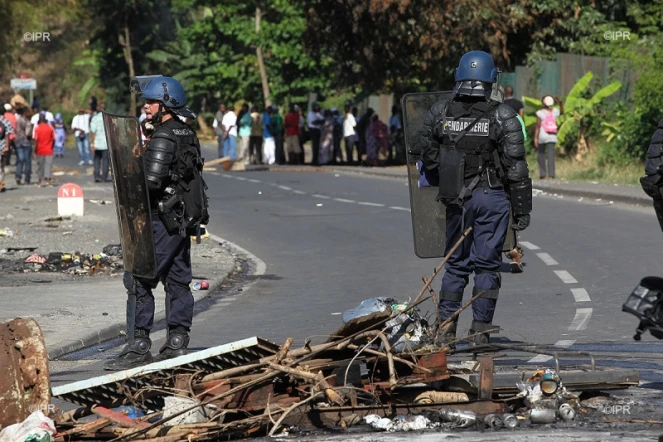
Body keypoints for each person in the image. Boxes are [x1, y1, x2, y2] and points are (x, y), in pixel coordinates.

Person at [419, 50, 532, 347]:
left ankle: (445, 331)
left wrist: (443, 180)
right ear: (491, 78)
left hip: (455, 199)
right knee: (487, 267)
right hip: (491, 198)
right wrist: (522, 212)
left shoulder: (440, 111)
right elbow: (516, 168)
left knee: (456, 265)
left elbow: (423, 154)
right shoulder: (503, 114)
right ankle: (479, 333)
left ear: (459, 76)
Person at [105, 76, 204, 370]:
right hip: (181, 220)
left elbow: (149, 183)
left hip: (162, 219)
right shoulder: (187, 132)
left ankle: (138, 346)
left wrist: (129, 171)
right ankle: (177, 341)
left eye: (151, 102)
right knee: (177, 280)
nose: (146, 107)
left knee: (139, 278)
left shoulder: (164, 136)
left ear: (166, 104)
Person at [534, 95, 563, 179]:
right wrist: (560, 102)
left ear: (543, 103)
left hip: (542, 136)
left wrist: (535, 138)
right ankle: (551, 175)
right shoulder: (555, 111)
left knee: (541, 155)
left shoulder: (540, 113)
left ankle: (542, 174)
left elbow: (538, 126)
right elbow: (562, 112)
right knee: (551, 155)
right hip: (552, 136)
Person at [33, 114, 55, 187]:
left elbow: (36, 140)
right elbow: (54, 139)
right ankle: (48, 181)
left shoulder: (37, 128)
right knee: (48, 166)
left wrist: (34, 151)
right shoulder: (50, 128)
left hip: (40, 150)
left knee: (40, 166)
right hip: (49, 150)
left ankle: (39, 182)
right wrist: (52, 147)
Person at [90, 102, 110, 182]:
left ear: (99, 108)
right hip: (106, 144)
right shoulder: (109, 118)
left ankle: (97, 176)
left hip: (97, 143)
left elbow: (93, 132)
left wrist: (92, 143)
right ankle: (104, 176)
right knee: (106, 160)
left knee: (97, 160)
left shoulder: (95, 118)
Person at [14, 107, 33, 185]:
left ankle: (18, 176)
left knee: (20, 160)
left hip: (18, 141)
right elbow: (28, 133)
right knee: (27, 161)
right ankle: (27, 178)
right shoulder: (27, 122)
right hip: (26, 142)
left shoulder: (17, 120)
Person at [0, 113, 14, 192]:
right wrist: (7, 146)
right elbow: (7, 136)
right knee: (1, 167)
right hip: (2, 147)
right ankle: (0, 184)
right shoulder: (6, 122)